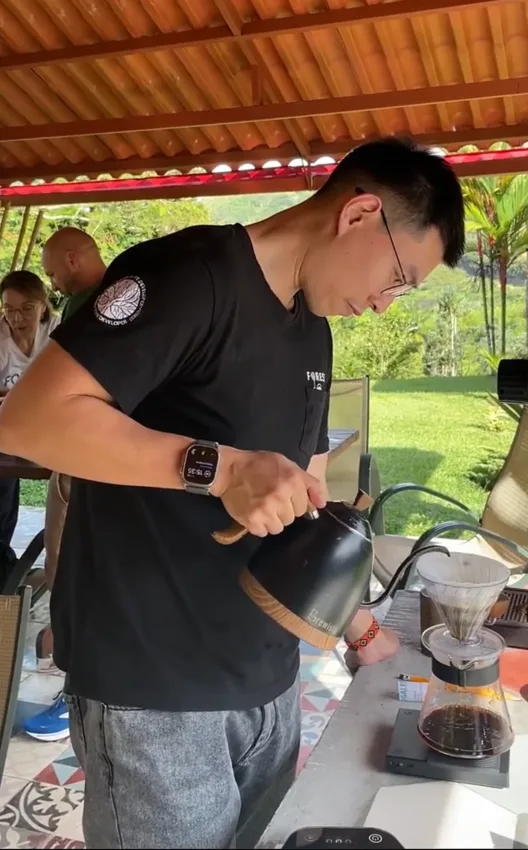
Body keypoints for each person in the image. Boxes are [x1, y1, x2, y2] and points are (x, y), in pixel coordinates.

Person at [0, 138, 465, 850]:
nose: (382, 304)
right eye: (399, 278)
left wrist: (356, 625)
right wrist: (217, 469)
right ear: (360, 214)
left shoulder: (313, 330)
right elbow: (30, 420)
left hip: (267, 679)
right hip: (153, 685)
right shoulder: (190, 276)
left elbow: (299, 506)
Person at [23, 228, 107, 742]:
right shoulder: (127, 294)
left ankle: (74, 686)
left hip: (84, 463)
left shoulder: (85, 306)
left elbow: (66, 395)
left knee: (67, 564)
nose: (53, 283)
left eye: (54, 271)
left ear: (74, 259)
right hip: (106, 465)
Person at [0, 271, 59, 585]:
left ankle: (59, 565)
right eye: (9, 309)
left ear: (43, 305)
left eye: (26, 309)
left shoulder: (59, 332)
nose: (16, 317)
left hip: (54, 427)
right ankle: (4, 563)